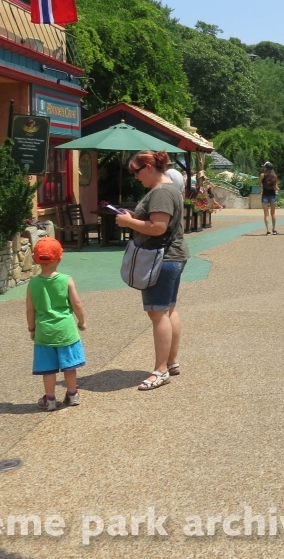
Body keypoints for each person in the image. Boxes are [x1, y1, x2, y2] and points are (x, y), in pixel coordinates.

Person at [116, 150, 189, 391]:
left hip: (161, 258)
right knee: (168, 310)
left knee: (158, 314)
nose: (135, 177)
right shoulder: (171, 189)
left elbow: (158, 227)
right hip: (172, 256)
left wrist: (128, 222)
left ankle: (160, 370)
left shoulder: (160, 192)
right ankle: (171, 361)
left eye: (136, 172)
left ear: (148, 167)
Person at [26, 237, 86, 411]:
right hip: (66, 330)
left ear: (36, 259)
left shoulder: (33, 283)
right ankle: (73, 393)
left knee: (48, 369)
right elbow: (77, 304)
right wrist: (81, 322)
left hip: (44, 331)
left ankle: (50, 398)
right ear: (60, 257)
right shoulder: (66, 280)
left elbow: (30, 310)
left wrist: (32, 328)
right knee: (70, 365)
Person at [259, 162, 278, 235]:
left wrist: (260, 189)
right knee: (273, 213)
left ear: (266, 168)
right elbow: (275, 187)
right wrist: (278, 189)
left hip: (265, 196)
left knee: (266, 214)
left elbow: (259, 184)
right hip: (272, 195)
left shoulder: (262, 175)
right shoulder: (274, 176)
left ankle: (268, 230)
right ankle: (274, 229)